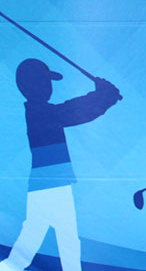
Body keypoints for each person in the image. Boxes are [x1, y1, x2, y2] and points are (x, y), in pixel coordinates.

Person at [0, 58, 122, 271]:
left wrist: (105, 95)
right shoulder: (40, 112)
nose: (49, 87)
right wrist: (105, 95)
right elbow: (76, 111)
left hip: (48, 182)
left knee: (39, 236)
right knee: (65, 239)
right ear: (31, 85)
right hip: (52, 183)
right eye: (44, 82)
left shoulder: (41, 111)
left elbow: (75, 110)